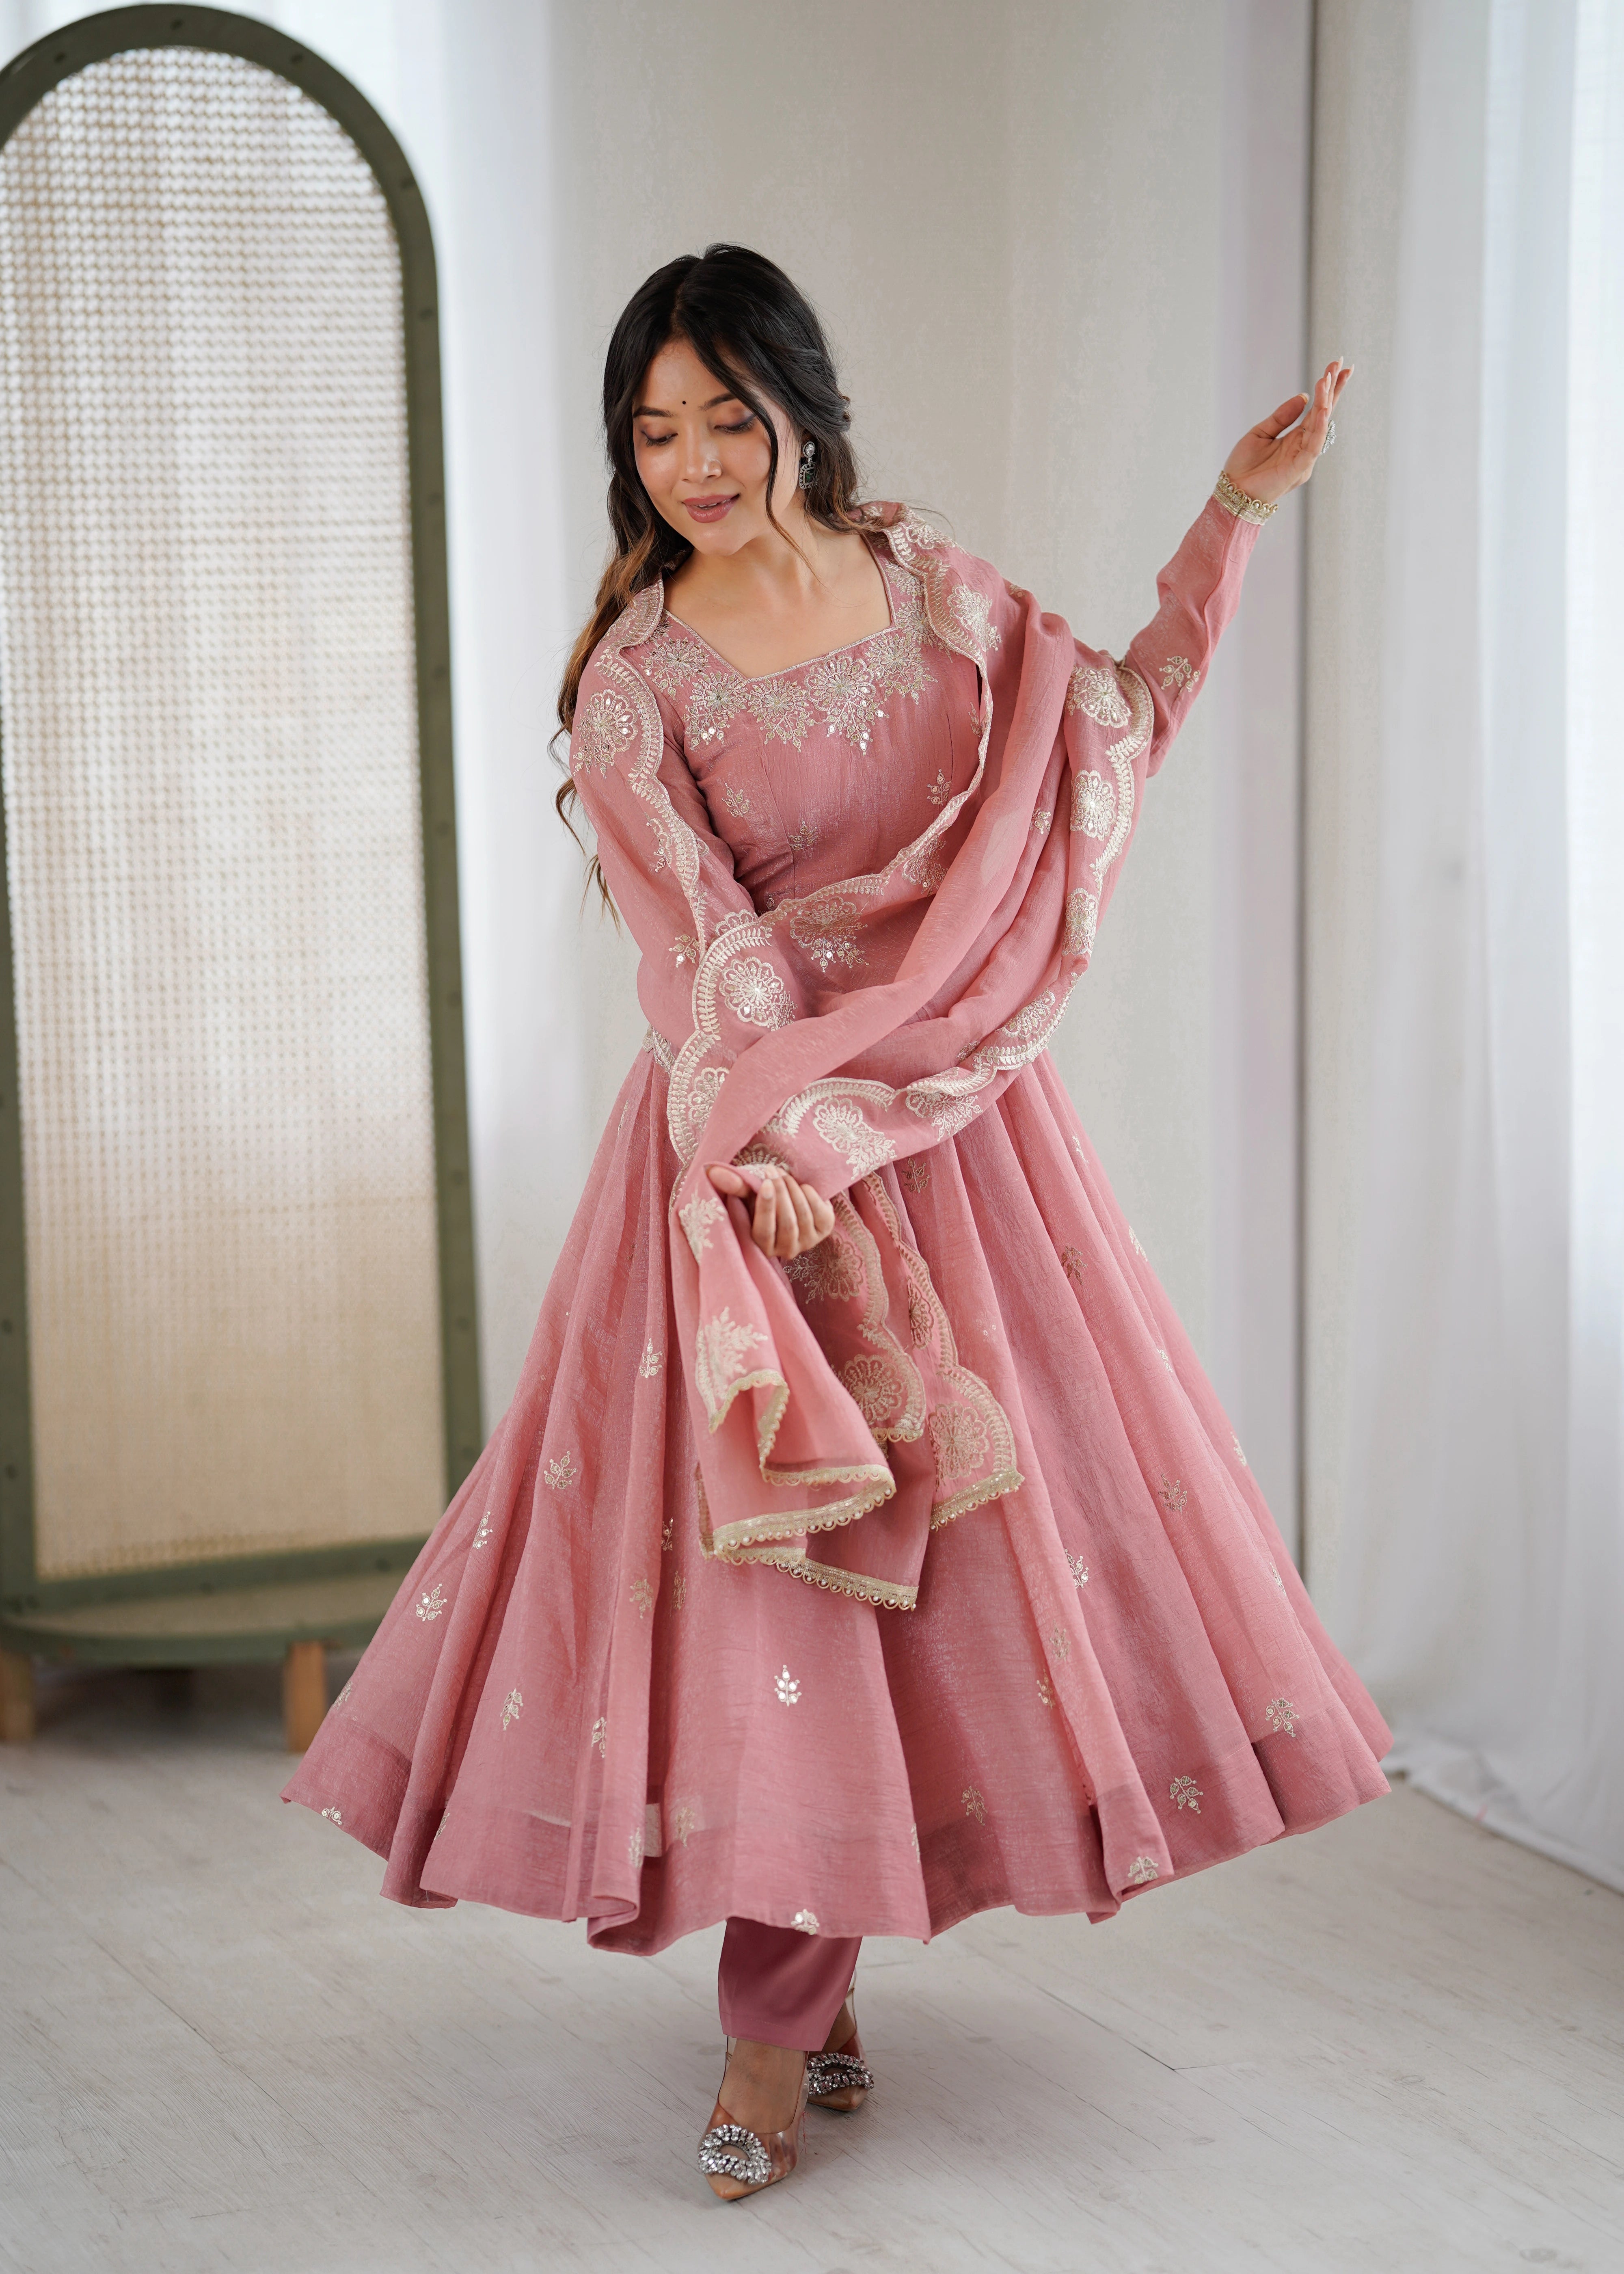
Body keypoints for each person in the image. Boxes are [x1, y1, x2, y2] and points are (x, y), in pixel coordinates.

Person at [285, 243, 1382, 2203]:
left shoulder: (929, 580)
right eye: (656, 430)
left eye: (727, 415)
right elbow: (700, 949)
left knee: (954, 1578)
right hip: (760, 1168)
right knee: (791, 1586)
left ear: (801, 407)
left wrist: (1231, 513)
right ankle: (771, 2031)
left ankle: (825, 1966)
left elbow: (1101, 740)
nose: (697, 461)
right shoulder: (637, 681)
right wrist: (777, 1144)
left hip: (963, 1142)